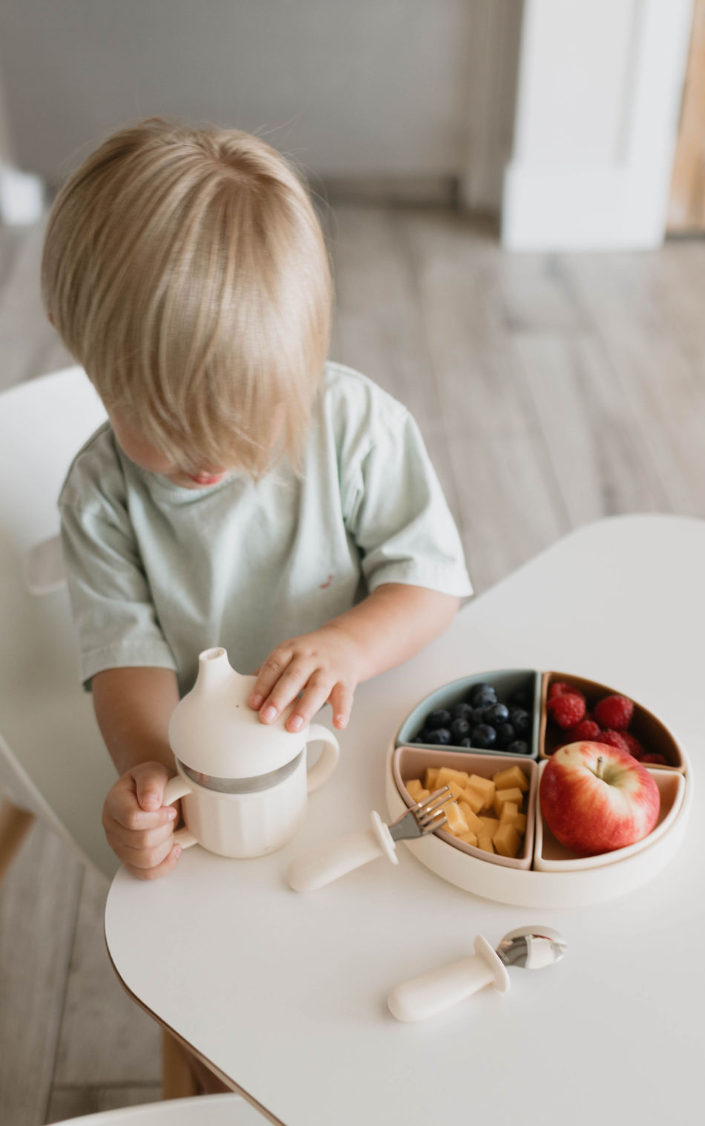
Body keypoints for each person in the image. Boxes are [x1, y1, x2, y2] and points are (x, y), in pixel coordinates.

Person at [44, 116, 471, 881]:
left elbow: (430, 584)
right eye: (169, 434)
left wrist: (347, 646)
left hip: (366, 733)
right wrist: (153, 777)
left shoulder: (353, 424)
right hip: (223, 779)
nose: (206, 460)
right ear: (92, 365)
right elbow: (126, 664)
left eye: (241, 429)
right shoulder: (100, 495)